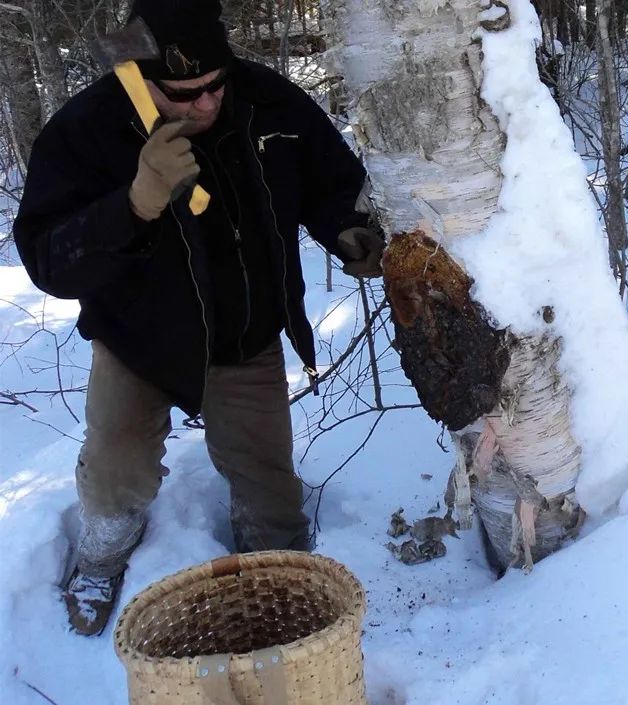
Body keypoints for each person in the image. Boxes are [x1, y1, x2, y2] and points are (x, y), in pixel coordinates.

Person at [13, 0, 384, 636]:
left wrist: (352, 232)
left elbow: (331, 182)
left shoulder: (268, 101)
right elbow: (49, 261)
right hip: (140, 342)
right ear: (139, 74)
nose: (207, 104)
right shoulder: (89, 128)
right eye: (184, 93)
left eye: (216, 85)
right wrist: (134, 204)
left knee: (271, 496)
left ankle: (280, 583)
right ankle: (102, 554)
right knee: (114, 473)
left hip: (246, 333)